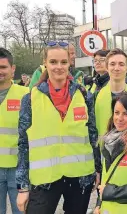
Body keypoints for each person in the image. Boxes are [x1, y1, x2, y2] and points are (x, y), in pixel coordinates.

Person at [16, 42, 101, 214]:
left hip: (80, 177)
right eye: (53, 62)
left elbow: (93, 136)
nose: (59, 67)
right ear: (45, 63)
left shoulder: (84, 96)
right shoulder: (31, 99)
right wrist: (23, 188)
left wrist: (97, 169)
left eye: (63, 62)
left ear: (70, 63)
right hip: (44, 180)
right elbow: (23, 144)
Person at [95, 48, 127, 138]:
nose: (116, 68)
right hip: (103, 150)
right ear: (107, 68)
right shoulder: (96, 96)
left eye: (121, 64)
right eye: (112, 64)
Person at [0, 48, 28, 214]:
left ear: (13, 69)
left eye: (3, 67)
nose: (0, 71)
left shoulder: (26, 95)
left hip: (19, 169)